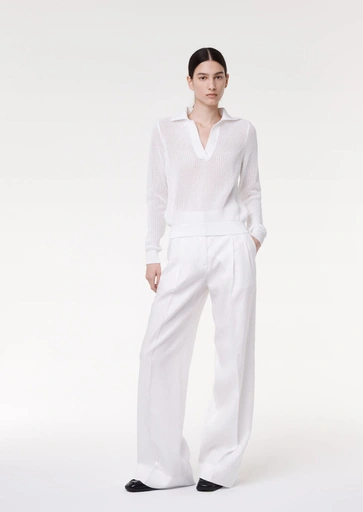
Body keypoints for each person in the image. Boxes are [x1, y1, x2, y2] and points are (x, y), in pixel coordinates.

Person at [125, 47, 267, 493]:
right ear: (189, 82)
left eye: (218, 76)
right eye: (203, 76)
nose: (211, 84)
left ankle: (219, 465)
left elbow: (252, 189)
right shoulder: (166, 130)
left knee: (233, 353)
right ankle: (162, 467)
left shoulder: (243, 131)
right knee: (158, 351)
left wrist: (255, 234)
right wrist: (152, 252)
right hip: (183, 244)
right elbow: (156, 194)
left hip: (231, 243)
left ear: (227, 80)